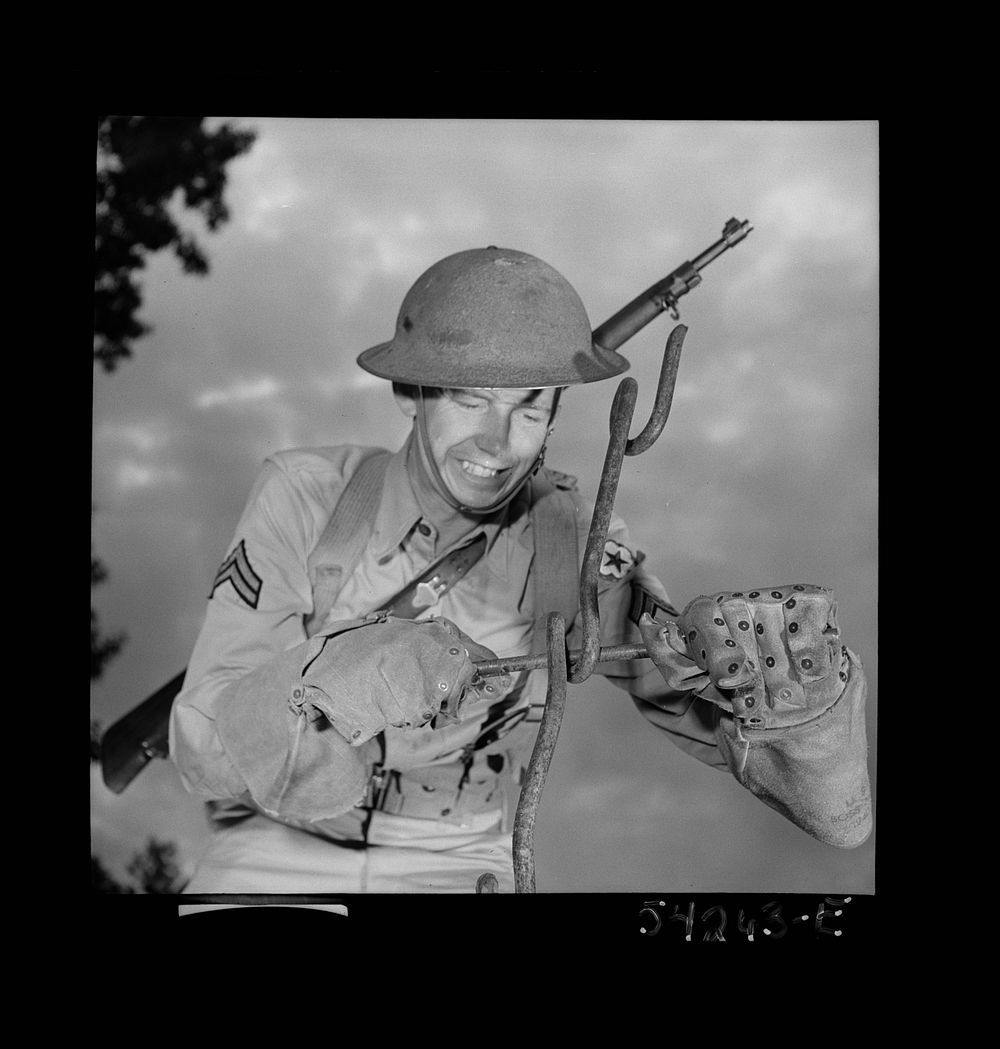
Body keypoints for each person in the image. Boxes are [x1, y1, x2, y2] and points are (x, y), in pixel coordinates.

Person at [170, 246, 872, 896]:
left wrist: (807, 726)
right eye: (469, 400)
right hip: (279, 836)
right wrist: (337, 676)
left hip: (454, 846)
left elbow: (712, 716)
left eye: (530, 408)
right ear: (411, 393)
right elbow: (202, 743)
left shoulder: (574, 540)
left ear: (556, 415)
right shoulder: (309, 495)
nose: (498, 442)